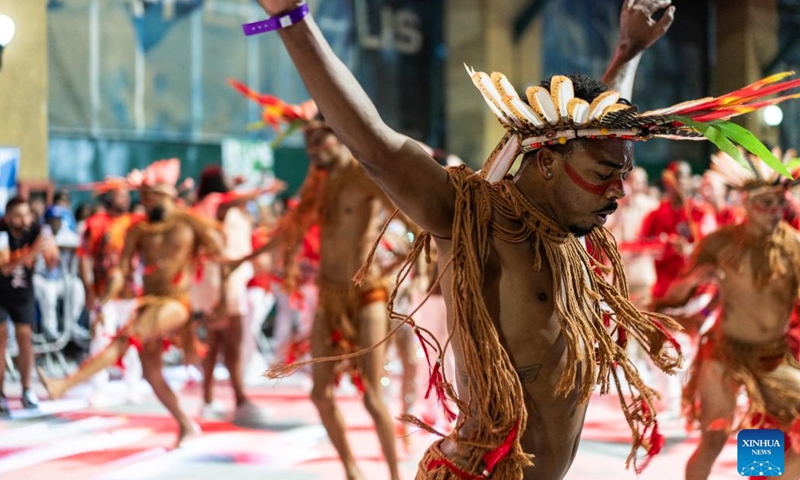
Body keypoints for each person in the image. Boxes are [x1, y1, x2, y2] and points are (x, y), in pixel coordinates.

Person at [251, 0, 800, 477]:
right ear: (545, 163)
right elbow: (375, 144)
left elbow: (595, 131)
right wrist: (292, 20)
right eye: (607, 174)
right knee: (711, 439)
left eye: (624, 176)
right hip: (483, 474)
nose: (618, 191)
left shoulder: (566, 227)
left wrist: (628, 54)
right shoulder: (473, 219)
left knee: (777, 453)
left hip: (773, 367)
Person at [229, 97, 418, 479]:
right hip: (329, 295)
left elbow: (411, 216)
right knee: (320, 394)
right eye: (309, 144)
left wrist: (400, 261)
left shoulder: (365, 177)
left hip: (368, 295)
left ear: (340, 138)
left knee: (372, 394)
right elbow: (289, 230)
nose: (314, 150)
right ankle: (352, 470)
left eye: (321, 141)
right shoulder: (318, 187)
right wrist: (242, 260)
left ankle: (397, 475)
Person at [38, 159, 226, 447]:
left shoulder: (191, 221)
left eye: (151, 197)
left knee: (126, 339)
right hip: (148, 302)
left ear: (167, 194)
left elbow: (219, 254)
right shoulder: (139, 230)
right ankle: (186, 424)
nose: (146, 204)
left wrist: (218, 299)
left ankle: (62, 385)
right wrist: (102, 302)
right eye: (144, 198)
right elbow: (120, 272)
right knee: (151, 373)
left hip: (177, 304)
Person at [660, 152, 800, 480]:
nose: (774, 211)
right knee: (714, 438)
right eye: (765, 202)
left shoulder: (794, 246)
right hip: (725, 353)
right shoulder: (718, 244)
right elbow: (670, 299)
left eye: (779, 202)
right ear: (745, 203)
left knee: (772, 434)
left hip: (774, 357)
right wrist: (695, 278)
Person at [77, 179, 145, 404]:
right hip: (103, 293)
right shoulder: (95, 223)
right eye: (120, 195)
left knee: (133, 340)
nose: (124, 199)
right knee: (100, 339)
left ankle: (133, 386)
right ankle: (98, 388)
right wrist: (88, 290)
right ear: (109, 197)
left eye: (126, 195)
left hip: (131, 292)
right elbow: (84, 258)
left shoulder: (136, 222)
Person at [0, 197, 58, 417]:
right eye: (17, 215)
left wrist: (50, 251)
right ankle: (0, 392)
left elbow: (53, 262)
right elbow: (5, 268)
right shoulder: (2, 231)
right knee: (1, 338)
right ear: (8, 217)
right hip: (1, 292)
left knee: (26, 338)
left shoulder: (37, 231)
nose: (22, 220)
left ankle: (27, 389)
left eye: (26, 214)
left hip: (24, 293)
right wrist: (32, 253)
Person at [33, 205, 84, 340]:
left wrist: (62, 247)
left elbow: (79, 245)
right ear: (47, 220)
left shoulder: (66, 233)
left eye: (58, 219)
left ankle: (72, 324)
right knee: (49, 292)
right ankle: (50, 329)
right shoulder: (41, 233)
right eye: (52, 219)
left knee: (77, 287)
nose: (55, 222)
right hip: (42, 278)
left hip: (61, 279)